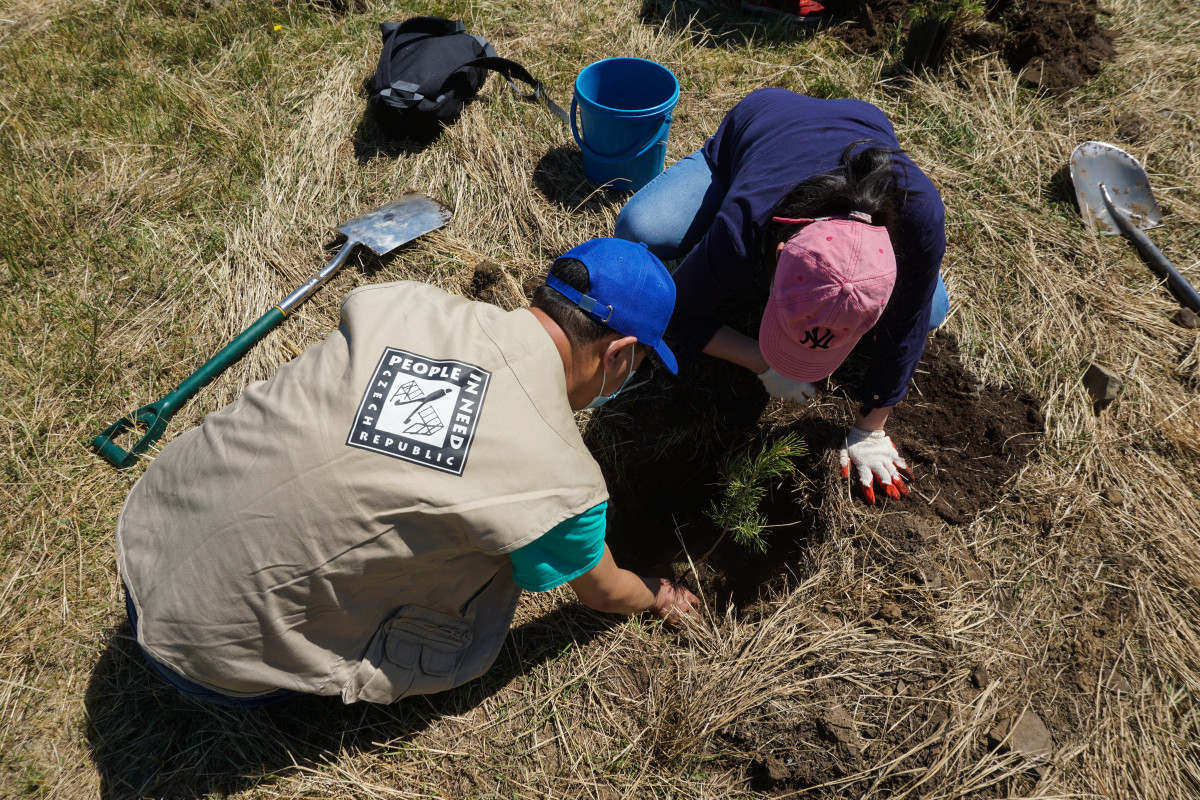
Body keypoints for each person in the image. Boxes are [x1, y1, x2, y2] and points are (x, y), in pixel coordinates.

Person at [115, 237, 699, 708]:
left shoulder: (405, 303)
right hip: (211, 661)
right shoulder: (562, 483)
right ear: (618, 354)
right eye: (640, 366)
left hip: (152, 527)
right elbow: (604, 592)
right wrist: (658, 594)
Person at [615, 88, 948, 505]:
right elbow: (675, 311)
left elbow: (907, 330)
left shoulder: (920, 218)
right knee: (641, 227)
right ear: (777, 253)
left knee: (931, 310)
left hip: (864, 123)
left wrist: (870, 430)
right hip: (768, 123)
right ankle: (719, 169)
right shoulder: (745, 226)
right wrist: (761, 360)